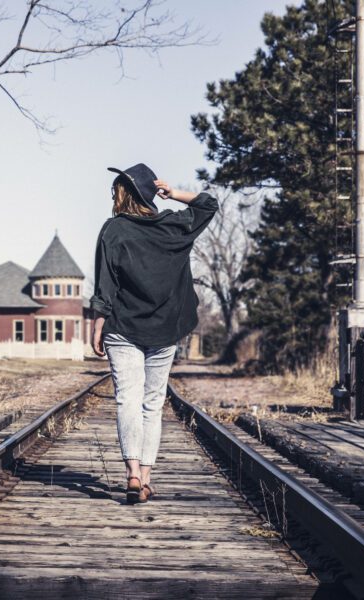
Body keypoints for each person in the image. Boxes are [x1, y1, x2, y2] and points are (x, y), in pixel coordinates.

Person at [90, 163, 218, 504]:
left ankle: (132, 472)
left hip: (123, 327)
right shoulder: (174, 226)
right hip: (165, 329)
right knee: (152, 404)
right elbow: (208, 204)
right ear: (150, 193)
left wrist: (97, 322)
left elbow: (106, 282)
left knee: (127, 400)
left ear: (123, 194)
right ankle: (146, 478)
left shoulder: (113, 230)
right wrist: (174, 193)